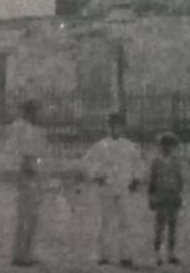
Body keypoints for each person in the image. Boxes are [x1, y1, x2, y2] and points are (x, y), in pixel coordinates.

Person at [82, 112, 144, 268]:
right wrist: (97, 175)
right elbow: (88, 163)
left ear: (122, 127)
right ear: (108, 127)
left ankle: (126, 255)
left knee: (126, 221)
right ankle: (104, 255)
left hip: (124, 187)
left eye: (118, 125)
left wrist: (136, 179)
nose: (115, 128)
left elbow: (139, 165)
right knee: (106, 222)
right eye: (112, 125)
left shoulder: (130, 146)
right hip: (107, 187)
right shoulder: (100, 145)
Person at [8, 100, 49, 267]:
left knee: (33, 217)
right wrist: (25, 165)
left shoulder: (37, 130)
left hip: (36, 173)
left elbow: (40, 153)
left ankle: (28, 252)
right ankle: (19, 255)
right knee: (25, 215)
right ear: (28, 112)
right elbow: (17, 150)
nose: (38, 115)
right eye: (35, 111)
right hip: (25, 174)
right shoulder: (19, 127)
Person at [148, 132, 185, 266]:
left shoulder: (176, 161)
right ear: (160, 146)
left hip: (173, 196)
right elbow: (151, 181)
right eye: (164, 145)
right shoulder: (156, 162)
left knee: (173, 227)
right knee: (159, 227)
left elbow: (180, 180)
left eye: (170, 145)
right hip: (160, 197)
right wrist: (151, 198)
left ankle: (171, 254)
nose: (167, 148)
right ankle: (157, 254)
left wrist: (179, 194)